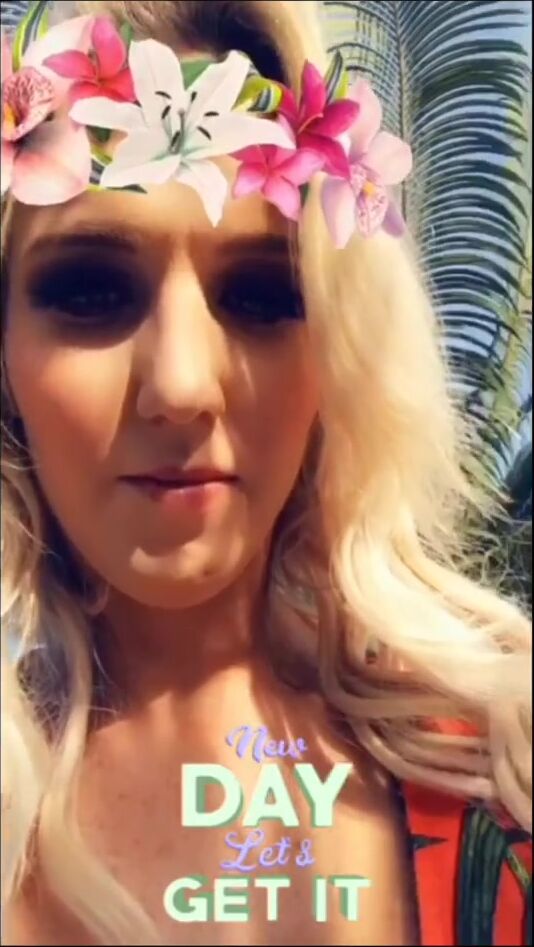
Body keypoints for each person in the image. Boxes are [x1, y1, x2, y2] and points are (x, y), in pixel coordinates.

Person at [1, 1, 531, 945]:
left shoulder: (504, 779)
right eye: (90, 290)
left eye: (263, 293)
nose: (181, 385)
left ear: (340, 358)